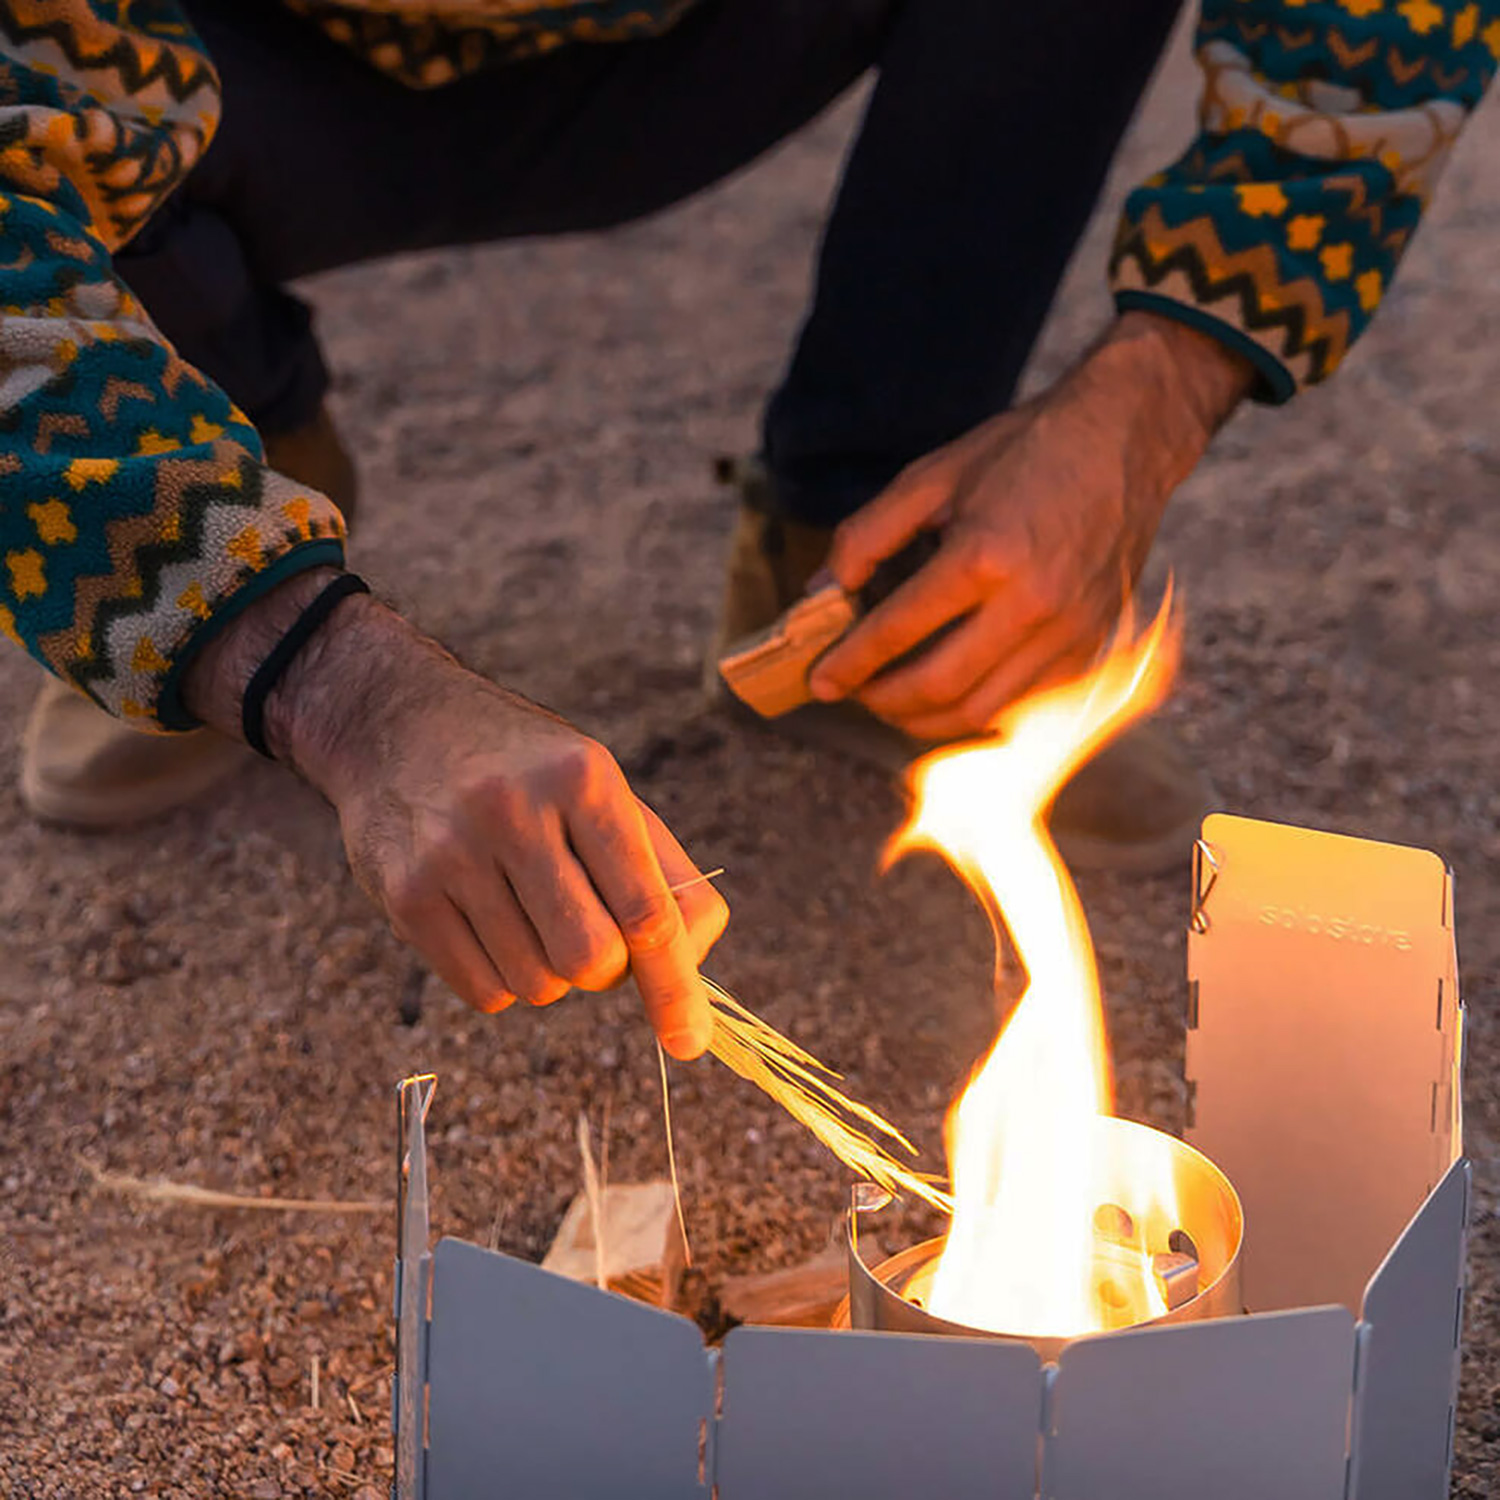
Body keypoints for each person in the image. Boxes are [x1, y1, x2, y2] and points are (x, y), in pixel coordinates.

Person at [2, 0, 1494, 1059]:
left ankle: (870, 553)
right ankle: (229, 497)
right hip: (221, 66)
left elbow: (1376, 26)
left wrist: (1146, 403)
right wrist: (309, 667)